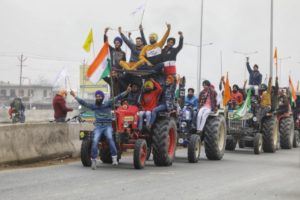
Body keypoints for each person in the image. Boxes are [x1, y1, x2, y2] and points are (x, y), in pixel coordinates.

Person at [70, 85, 131, 169]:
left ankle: (114, 158)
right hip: (98, 126)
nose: (98, 98)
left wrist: (127, 91)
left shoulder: (108, 103)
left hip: (107, 126)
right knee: (95, 141)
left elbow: (118, 97)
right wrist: (74, 96)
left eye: (99, 96)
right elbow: (83, 102)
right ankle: (94, 160)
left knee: (110, 138)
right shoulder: (94, 106)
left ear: (102, 97)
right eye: (97, 96)